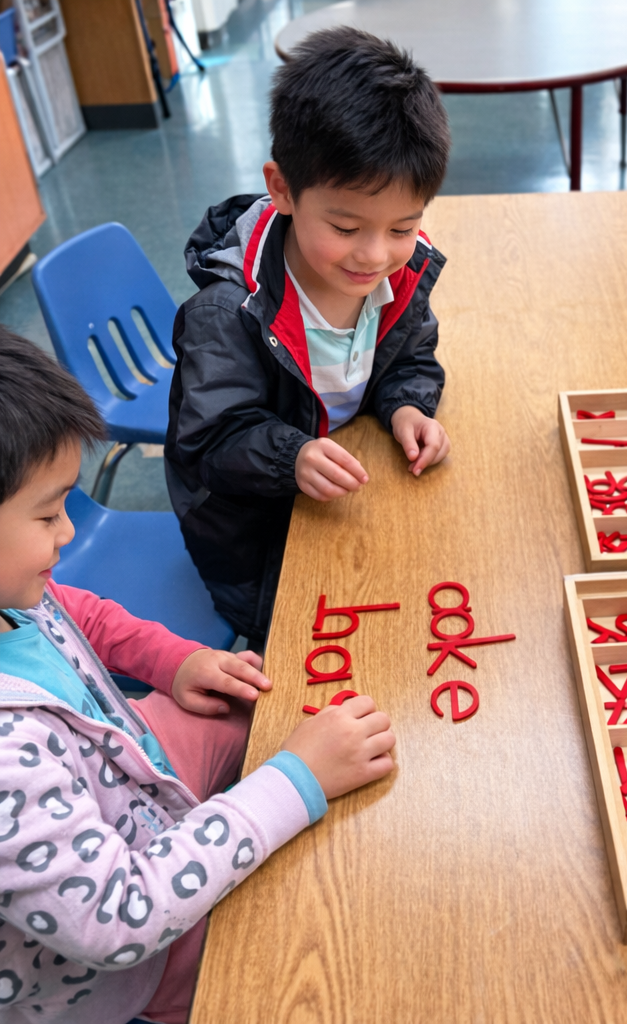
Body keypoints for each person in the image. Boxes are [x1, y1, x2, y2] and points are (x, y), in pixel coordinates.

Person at [0, 327, 396, 1023]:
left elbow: (78, 615)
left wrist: (172, 661)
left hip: (130, 762)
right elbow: (122, 915)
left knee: (257, 702)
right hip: (144, 958)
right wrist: (294, 781)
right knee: (299, 952)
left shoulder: (14, 590)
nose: (67, 533)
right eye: (46, 513)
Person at [165, 26, 452, 648]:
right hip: (260, 538)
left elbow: (411, 353)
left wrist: (406, 402)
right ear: (283, 189)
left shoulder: (403, 273)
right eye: (346, 226)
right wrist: (289, 456)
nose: (375, 255)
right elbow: (210, 442)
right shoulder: (227, 314)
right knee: (324, 652)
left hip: (346, 494)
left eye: (403, 226)